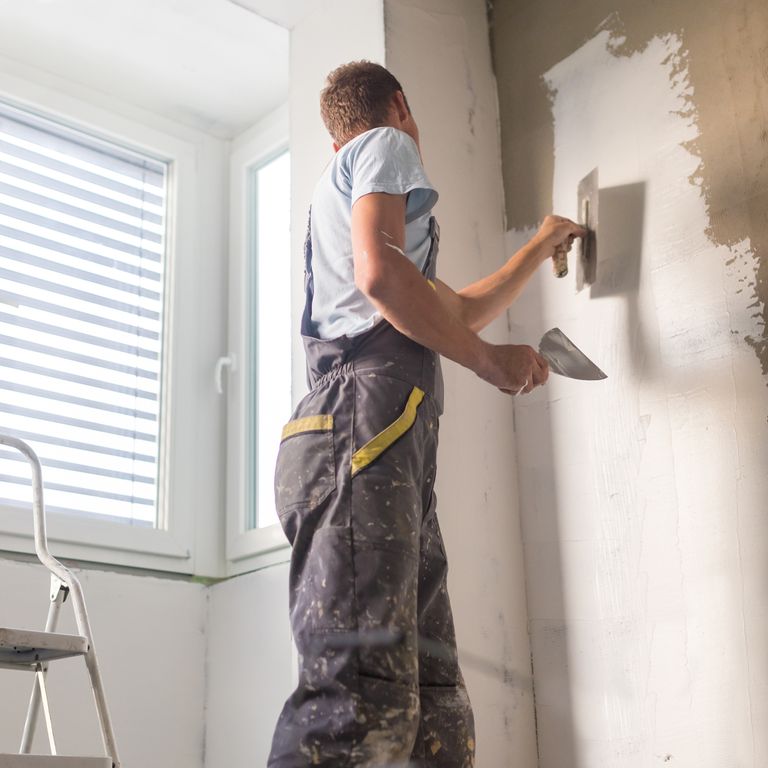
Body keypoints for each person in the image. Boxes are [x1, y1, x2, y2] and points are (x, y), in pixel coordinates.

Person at [268, 61, 585, 767]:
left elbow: (452, 309)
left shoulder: (353, 196)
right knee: (359, 702)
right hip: (361, 436)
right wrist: (489, 363)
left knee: (431, 706)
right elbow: (383, 277)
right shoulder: (385, 142)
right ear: (399, 106)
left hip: (373, 450)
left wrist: (538, 247)